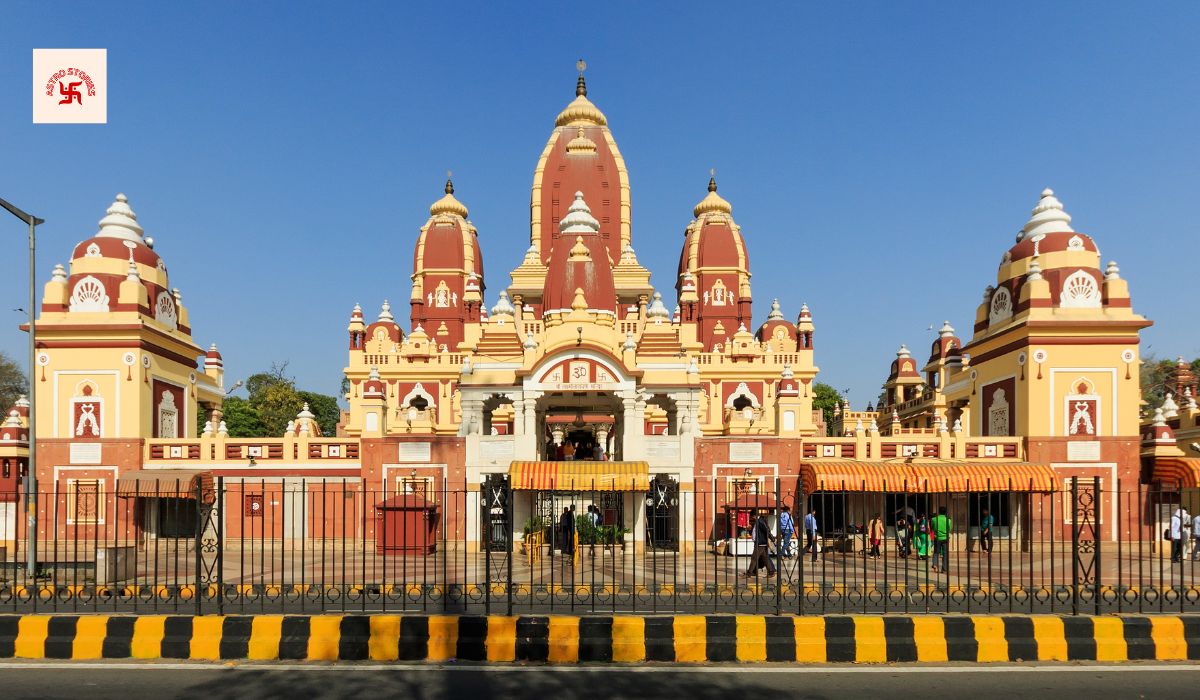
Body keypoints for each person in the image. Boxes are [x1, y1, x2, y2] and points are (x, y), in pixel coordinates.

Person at [742, 509, 777, 578]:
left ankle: (749, 573)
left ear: (754, 515)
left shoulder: (760, 521)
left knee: (754, 558)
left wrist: (772, 539)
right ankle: (771, 572)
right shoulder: (758, 521)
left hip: (760, 543)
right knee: (765, 558)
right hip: (759, 542)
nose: (752, 518)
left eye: (752, 516)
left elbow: (767, 531)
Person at [931, 506, 952, 573]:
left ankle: (935, 564)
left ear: (939, 511)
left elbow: (932, 527)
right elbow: (949, 529)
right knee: (945, 553)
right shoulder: (948, 520)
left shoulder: (934, 519)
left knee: (936, 552)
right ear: (945, 512)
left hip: (937, 538)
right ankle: (944, 569)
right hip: (945, 538)